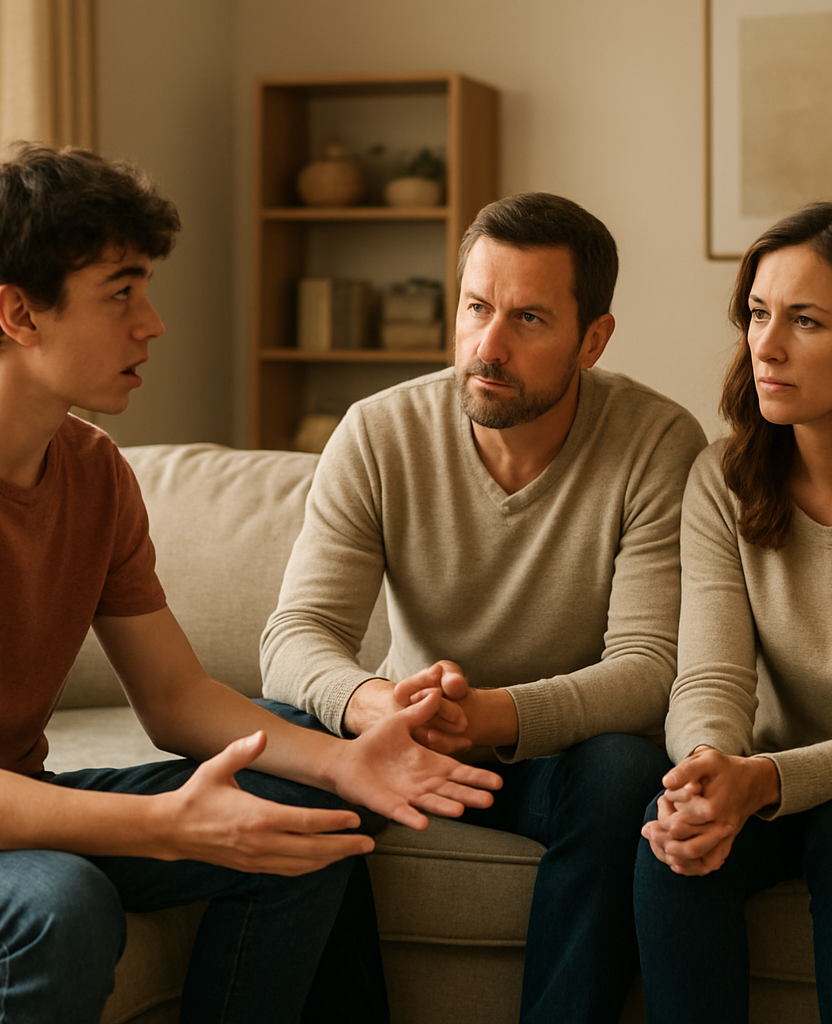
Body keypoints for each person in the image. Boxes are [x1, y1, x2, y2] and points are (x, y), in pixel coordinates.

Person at [0, 141, 503, 1024]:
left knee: (313, 811)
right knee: (56, 905)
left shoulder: (93, 472)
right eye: (121, 293)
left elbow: (176, 698)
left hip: (13, 805)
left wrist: (345, 761)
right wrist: (164, 825)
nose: (152, 323)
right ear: (19, 313)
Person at [261, 191, 707, 1022]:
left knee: (625, 769)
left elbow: (650, 671)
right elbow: (296, 635)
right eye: (476, 308)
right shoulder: (377, 432)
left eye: (529, 319)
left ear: (593, 339)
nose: (487, 347)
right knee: (274, 739)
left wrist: (489, 716)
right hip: (404, 741)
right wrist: (374, 704)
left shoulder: (656, 444)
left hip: (554, 754)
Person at [634, 201, 832, 1024]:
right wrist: (709, 770)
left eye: (805, 320)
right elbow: (709, 675)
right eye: (757, 313)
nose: (766, 345)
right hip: (778, 775)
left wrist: (763, 782)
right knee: (671, 835)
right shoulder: (722, 477)